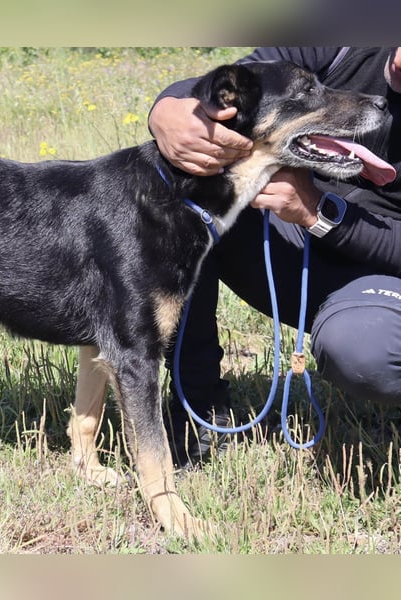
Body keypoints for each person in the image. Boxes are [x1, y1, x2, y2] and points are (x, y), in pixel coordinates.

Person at [148, 47, 401, 465]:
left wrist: (319, 211)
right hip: (290, 248)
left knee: (363, 348)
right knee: (178, 182)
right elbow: (237, 83)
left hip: (381, 279)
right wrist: (169, 110)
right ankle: (198, 410)